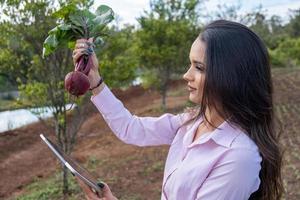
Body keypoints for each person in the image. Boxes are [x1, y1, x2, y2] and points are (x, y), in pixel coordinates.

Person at [72, 20, 283, 200]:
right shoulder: (192, 122)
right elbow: (131, 128)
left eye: (199, 67)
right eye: (190, 64)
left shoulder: (238, 157)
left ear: (231, 76)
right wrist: (94, 81)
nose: (186, 75)